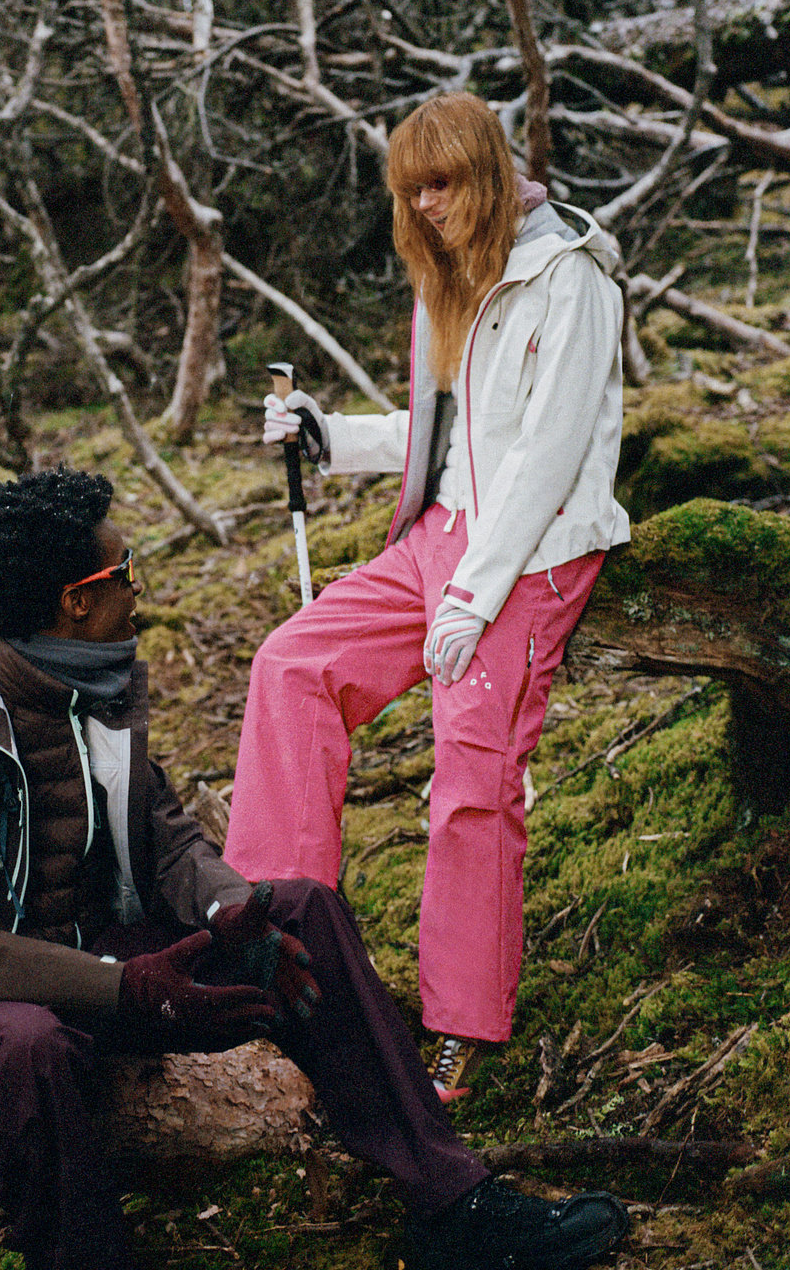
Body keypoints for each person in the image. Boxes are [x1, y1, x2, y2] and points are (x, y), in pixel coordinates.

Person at [0, 465, 628, 1270]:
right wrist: (124, 984)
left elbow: (168, 837)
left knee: (297, 906)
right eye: (124, 572)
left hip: (100, 970)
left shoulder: (89, 678)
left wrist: (227, 908)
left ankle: (454, 1211)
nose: (139, 588)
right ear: (73, 601)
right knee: (30, 1047)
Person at [224, 91, 630, 1102]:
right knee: (291, 666)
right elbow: (449, 435)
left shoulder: (568, 279)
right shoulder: (455, 275)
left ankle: (461, 1020)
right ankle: (275, 951)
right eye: (413, 190)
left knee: (472, 775)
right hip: (440, 540)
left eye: (443, 183)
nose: (429, 204)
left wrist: (478, 596)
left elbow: (543, 458)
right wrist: (335, 434)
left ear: (488, 174)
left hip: (529, 557)